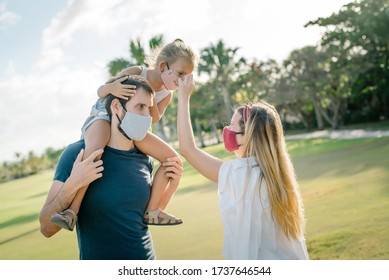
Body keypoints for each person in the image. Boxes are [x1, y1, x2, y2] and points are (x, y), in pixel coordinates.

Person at [51, 39, 196, 230]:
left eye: (187, 76)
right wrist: (113, 88)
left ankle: (152, 210)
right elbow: (102, 91)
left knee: (172, 159)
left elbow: (152, 120)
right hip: (105, 116)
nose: (183, 80)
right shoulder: (137, 72)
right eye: (180, 74)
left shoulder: (166, 95)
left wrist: (149, 95)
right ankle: (71, 211)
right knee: (95, 151)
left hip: (135, 126)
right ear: (163, 66)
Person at [39, 76, 183, 259]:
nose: (147, 116)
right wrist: (73, 183)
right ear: (116, 107)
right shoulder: (76, 154)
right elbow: (46, 228)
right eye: (140, 107)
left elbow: (143, 217)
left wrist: (172, 187)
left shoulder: (145, 159)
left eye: (149, 108)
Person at [176, 75, 309, 260]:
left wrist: (183, 97)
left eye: (232, 127)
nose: (227, 131)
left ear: (250, 137)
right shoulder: (278, 172)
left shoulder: (241, 174)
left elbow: (187, 149)